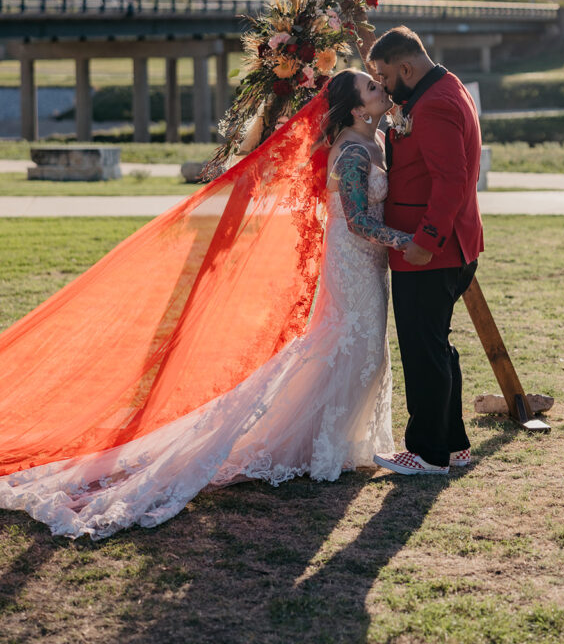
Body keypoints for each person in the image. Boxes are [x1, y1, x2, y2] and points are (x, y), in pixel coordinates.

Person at [0, 70, 411, 540]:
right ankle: (327, 447)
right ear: (358, 108)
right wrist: (408, 241)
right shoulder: (355, 151)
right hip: (354, 260)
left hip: (367, 263)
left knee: (360, 346)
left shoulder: (375, 138)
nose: (383, 90)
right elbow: (358, 219)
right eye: (373, 89)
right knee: (351, 343)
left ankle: (340, 443)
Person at [367, 26, 484, 476]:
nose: (382, 85)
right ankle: (452, 445)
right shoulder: (441, 87)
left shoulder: (434, 105)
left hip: (431, 249)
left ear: (407, 68)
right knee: (437, 346)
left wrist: (425, 242)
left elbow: (451, 181)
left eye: (384, 76)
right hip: (450, 247)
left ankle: (427, 453)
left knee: (422, 349)